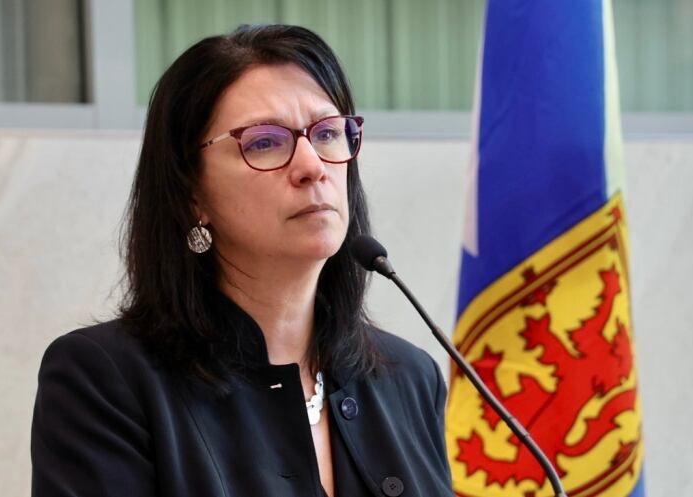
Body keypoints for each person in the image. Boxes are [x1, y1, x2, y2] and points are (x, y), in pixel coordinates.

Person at [31, 24, 454, 497]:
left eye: (328, 133)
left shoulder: (411, 377)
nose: (313, 166)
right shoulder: (107, 380)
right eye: (264, 142)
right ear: (193, 195)